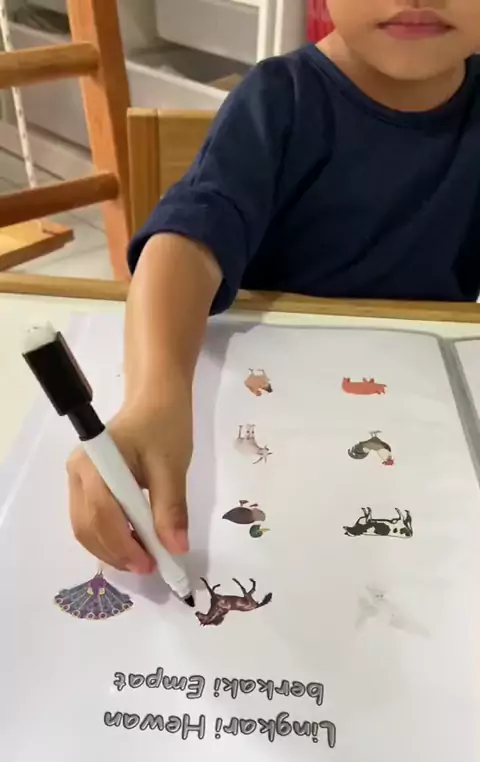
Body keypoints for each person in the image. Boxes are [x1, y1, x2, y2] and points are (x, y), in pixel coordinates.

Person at [67, 0, 480, 575]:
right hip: (267, 404)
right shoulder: (280, 98)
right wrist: (155, 398)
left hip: (422, 420)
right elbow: (185, 244)